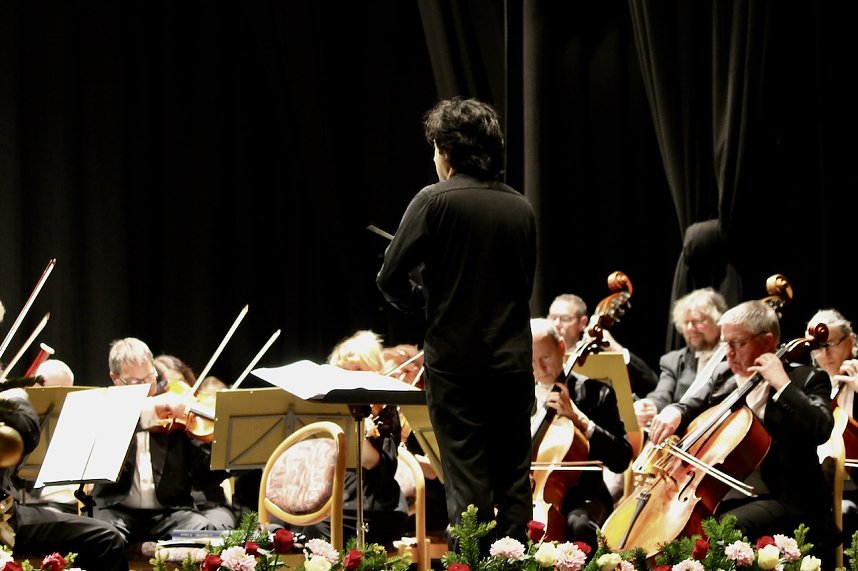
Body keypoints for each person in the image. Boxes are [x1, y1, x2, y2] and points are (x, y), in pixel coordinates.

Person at [376, 96, 536, 550]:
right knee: (512, 482)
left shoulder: (433, 200)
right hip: (511, 364)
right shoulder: (520, 207)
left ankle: (474, 563)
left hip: (457, 365)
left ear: (447, 150)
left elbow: (389, 278)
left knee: (467, 484)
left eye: (434, 148)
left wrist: (427, 304)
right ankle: (515, 561)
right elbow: (521, 286)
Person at [647, 299, 838, 568]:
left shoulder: (806, 379)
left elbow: (821, 427)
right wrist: (673, 412)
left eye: (737, 343)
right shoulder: (725, 375)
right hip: (726, 495)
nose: (729, 353)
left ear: (768, 342)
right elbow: (690, 404)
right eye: (725, 344)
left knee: (719, 531)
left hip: (783, 498)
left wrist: (781, 384)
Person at [0, 308, 127, 569]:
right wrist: (18, 398)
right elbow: (27, 433)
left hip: (9, 513)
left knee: (105, 537)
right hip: (5, 520)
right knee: (106, 538)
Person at [90, 338, 229, 547]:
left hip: (170, 512)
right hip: (116, 511)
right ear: (115, 379)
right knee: (105, 538)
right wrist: (149, 410)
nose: (147, 387)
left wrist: (223, 451)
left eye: (149, 377)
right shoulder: (103, 410)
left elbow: (203, 479)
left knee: (206, 535)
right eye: (136, 382)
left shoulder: (173, 412)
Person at [296, 330, 408, 549]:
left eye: (358, 370)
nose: (349, 378)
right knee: (289, 525)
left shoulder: (385, 409)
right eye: (343, 372)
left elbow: (372, 462)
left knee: (317, 528)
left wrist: (355, 427)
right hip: (335, 500)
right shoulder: (328, 409)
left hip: (377, 506)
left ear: (375, 371)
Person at [529, 318, 632, 548]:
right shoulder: (518, 399)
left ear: (562, 348)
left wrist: (579, 419)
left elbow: (621, 458)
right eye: (531, 360)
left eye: (545, 357)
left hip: (585, 495)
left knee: (579, 526)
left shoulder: (596, 393)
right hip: (529, 495)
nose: (540, 368)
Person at [153, 355, 235, 531]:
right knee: (202, 530)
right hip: (173, 511)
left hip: (208, 503)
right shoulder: (159, 428)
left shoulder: (197, 424)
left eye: (180, 384)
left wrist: (220, 446)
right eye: (167, 386)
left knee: (217, 529)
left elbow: (205, 479)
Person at [634, 288, 728, 428]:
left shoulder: (733, 357)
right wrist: (651, 406)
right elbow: (662, 394)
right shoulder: (673, 360)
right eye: (686, 322)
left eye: (697, 321)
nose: (690, 328)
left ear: (718, 321)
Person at [804, 309, 858, 542]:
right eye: (816, 347)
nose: (824, 354)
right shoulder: (811, 386)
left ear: (851, 341)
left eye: (831, 344)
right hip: (819, 488)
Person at [548, 293, 658, 399]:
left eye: (565, 319)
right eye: (552, 318)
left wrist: (615, 348)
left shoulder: (596, 358)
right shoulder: (536, 352)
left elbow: (650, 382)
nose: (556, 324)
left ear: (582, 323)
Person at [15, 359, 80, 514]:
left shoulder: (79, 417)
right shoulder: (22, 421)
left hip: (73, 501)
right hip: (36, 503)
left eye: (66, 393)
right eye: (50, 392)